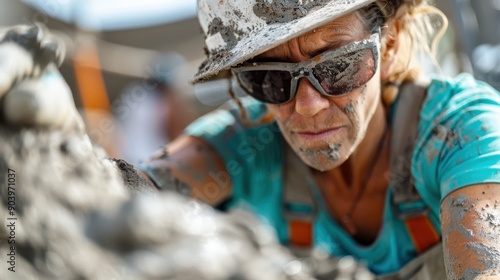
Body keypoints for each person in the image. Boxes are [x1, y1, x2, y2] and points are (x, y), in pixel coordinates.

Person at [0, 1, 499, 279]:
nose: (306, 106)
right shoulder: (247, 146)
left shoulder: (463, 133)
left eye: (338, 66)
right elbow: (127, 199)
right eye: (269, 81)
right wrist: (52, 154)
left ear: (388, 48)